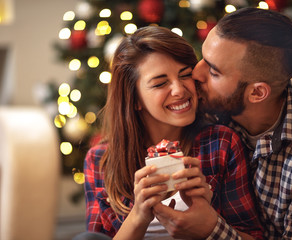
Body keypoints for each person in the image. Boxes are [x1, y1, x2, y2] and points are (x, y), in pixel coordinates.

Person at [153, 7, 292, 240]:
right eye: (203, 57)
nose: (196, 74)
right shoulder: (210, 115)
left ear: (257, 93)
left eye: (214, 71)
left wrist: (211, 229)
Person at [80, 26, 263, 240]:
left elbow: (254, 236)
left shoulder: (220, 143)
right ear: (134, 99)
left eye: (185, 75)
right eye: (160, 83)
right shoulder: (100, 160)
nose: (179, 90)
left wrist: (210, 225)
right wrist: (138, 215)